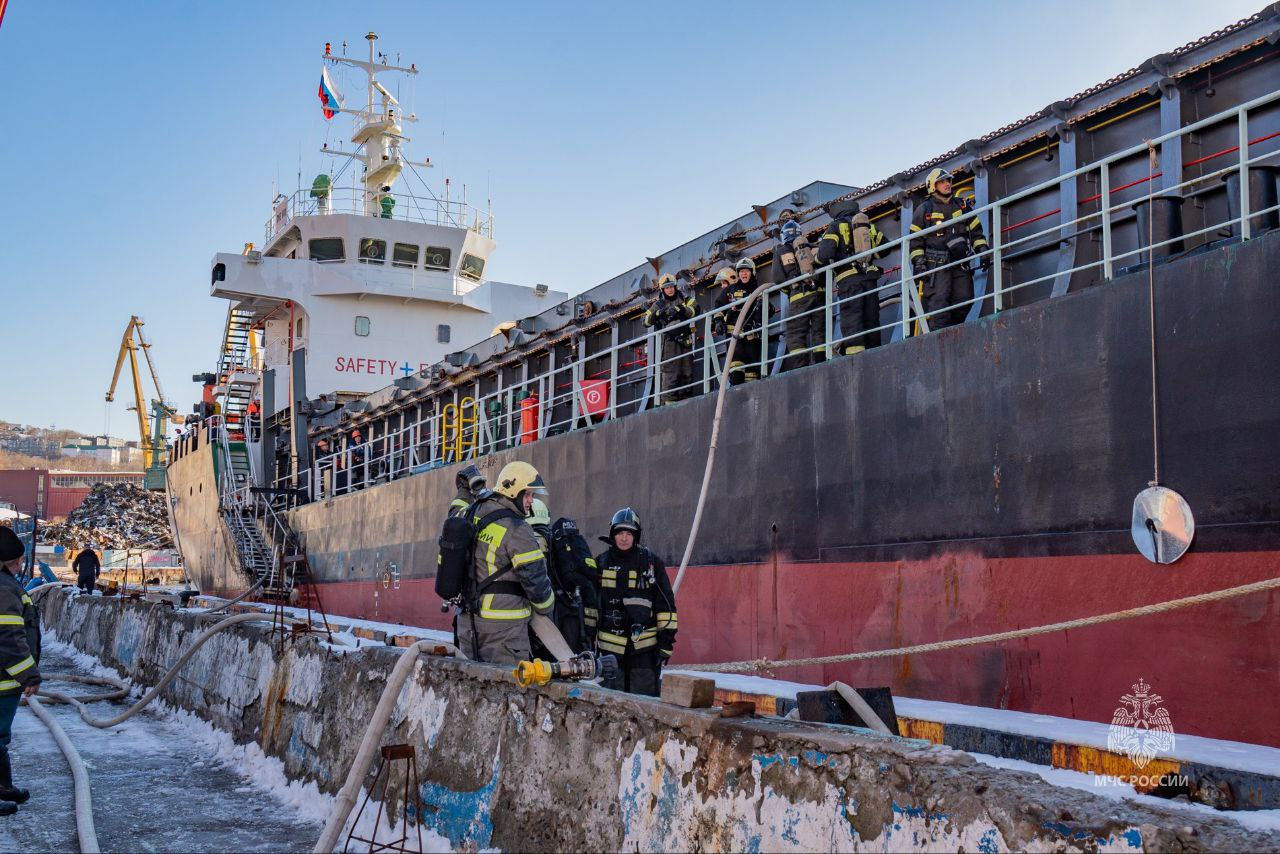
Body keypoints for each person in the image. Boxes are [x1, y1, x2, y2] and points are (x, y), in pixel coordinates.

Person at [456, 461, 555, 665]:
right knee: (509, 691)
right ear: (512, 493)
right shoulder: (519, 530)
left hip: (468, 626)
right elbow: (536, 583)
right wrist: (548, 607)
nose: (530, 501)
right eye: (527, 494)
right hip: (504, 633)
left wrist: (464, 492)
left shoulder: (472, 512)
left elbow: (453, 515)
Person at [592, 508, 677, 696]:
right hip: (610, 652)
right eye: (620, 533)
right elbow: (591, 607)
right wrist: (587, 643)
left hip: (644, 651)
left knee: (643, 702)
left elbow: (666, 608)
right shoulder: (600, 564)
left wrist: (665, 645)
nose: (624, 538)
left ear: (636, 536)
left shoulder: (651, 564)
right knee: (612, 702)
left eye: (629, 533)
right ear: (612, 535)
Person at [908, 168, 990, 330]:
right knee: (939, 304)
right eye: (942, 182)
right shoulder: (925, 209)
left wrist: (982, 250)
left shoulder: (962, 205)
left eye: (948, 181)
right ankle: (939, 337)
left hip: (960, 263)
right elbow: (915, 241)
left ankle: (953, 331)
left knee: (965, 298)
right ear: (933, 186)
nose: (947, 184)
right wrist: (919, 263)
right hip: (936, 266)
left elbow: (975, 231)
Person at [0, 526, 39, 816]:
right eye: (16, 561)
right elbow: (9, 637)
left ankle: (2, 786)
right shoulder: (4, 588)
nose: (21, 566)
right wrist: (29, 675)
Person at [818, 199, 889, 354]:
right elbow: (885, 248)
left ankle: (855, 358)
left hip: (849, 282)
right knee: (871, 320)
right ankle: (875, 354)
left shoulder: (835, 226)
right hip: (869, 279)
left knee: (852, 321)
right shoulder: (866, 225)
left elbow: (824, 255)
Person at [772, 210, 826, 371]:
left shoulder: (781, 251)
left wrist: (790, 288)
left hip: (798, 297)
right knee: (819, 330)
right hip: (819, 293)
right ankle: (821, 362)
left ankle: (800, 367)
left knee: (795, 333)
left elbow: (778, 278)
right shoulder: (810, 247)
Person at [714, 258, 772, 384]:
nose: (744, 274)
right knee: (736, 370)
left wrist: (763, 305)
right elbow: (718, 307)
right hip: (735, 338)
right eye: (741, 271)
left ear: (752, 272)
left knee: (752, 372)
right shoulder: (730, 290)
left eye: (746, 271)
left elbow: (769, 311)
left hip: (752, 337)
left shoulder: (759, 291)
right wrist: (718, 321)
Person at [643, 274, 698, 405]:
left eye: (672, 286)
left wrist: (680, 309)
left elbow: (695, 309)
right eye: (667, 287)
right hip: (669, 344)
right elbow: (645, 321)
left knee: (687, 373)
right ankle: (669, 405)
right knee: (670, 375)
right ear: (662, 290)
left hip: (685, 342)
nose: (670, 290)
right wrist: (658, 314)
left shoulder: (685, 299)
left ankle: (687, 403)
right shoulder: (659, 304)